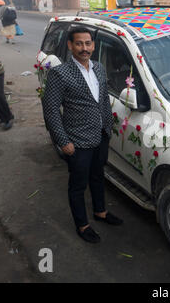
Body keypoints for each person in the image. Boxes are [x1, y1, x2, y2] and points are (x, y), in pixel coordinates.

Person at [42, 27, 123, 243]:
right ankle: (82, 225)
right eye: (79, 43)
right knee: (78, 185)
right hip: (77, 142)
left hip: (101, 136)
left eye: (88, 43)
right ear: (70, 45)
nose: (84, 48)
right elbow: (50, 110)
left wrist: (108, 126)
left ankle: (100, 212)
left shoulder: (99, 68)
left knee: (98, 176)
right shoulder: (60, 74)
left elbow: (103, 99)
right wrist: (63, 141)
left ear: (93, 46)